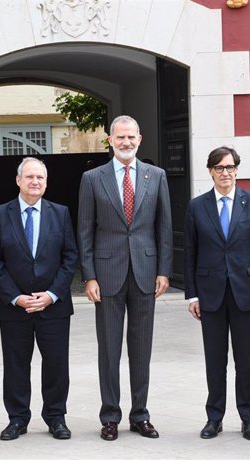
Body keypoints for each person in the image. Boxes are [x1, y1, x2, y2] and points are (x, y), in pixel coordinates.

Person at [77, 115, 172, 441]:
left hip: (145, 273)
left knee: (141, 348)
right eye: (120, 138)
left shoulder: (156, 176)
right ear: (110, 140)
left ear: (140, 139)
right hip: (106, 275)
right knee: (109, 349)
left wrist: (164, 270)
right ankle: (110, 417)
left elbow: (164, 227)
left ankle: (140, 415)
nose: (126, 142)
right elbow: (85, 230)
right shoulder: (92, 178)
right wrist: (88, 276)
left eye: (131, 137)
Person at [183, 146, 250, 441]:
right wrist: (192, 295)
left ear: (237, 170)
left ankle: (248, 419)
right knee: (215, 361)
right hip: (210, 295)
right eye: (220, 168)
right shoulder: (197, 206)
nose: (226, 173)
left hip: (246, 293)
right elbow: (190, 253)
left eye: (231, 167)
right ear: (210, 171)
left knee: (245, 361)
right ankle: (214, 418)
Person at [0, 157, 78, 441]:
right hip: (15, 307)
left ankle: (56, 417)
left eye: (40, 177)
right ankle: (17, 419)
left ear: (46, 182)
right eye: (29, 177)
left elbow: (69, 257)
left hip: (54, 306)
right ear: (18, 180)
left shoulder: (60, 213)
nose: (35, 182)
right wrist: (16, 297)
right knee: (15, 365)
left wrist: (51, 295)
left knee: (56, 365)